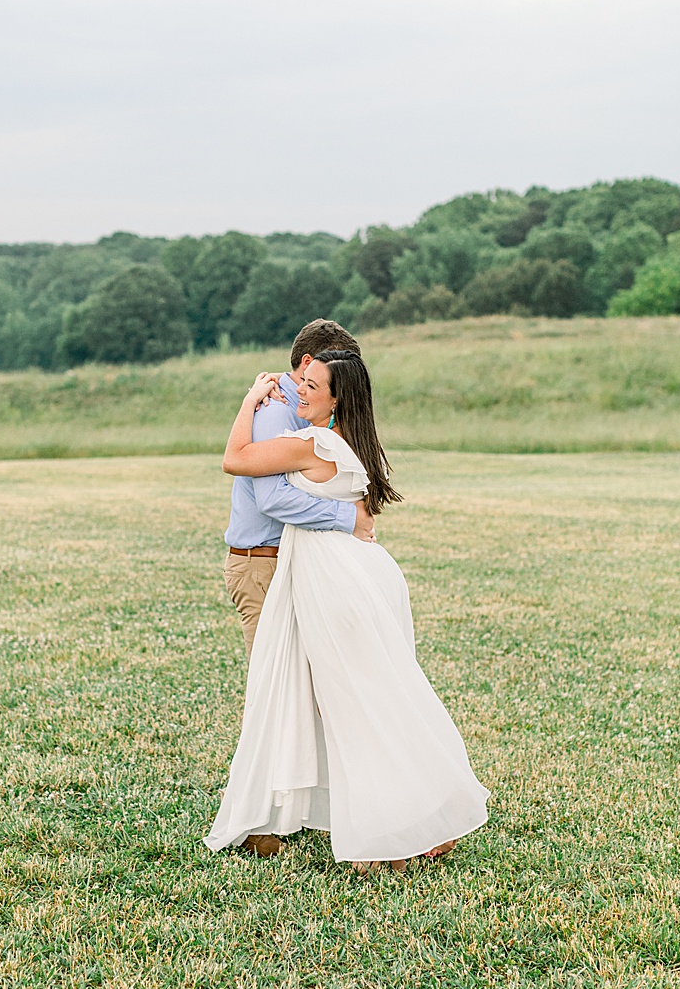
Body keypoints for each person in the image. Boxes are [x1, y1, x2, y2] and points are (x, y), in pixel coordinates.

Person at [204, 349, 489, 873]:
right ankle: (408, 818)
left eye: (311, 384)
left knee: (349, 706)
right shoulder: (347, 445)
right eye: (300, 381)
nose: (298, 391)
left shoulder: (310, 441)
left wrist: (248, 400)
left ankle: (386, 834)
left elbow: (236, 459)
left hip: (333, 586)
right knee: (375, 699)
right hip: (357, 576)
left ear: (337, 398)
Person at [221, 320, 376, 667]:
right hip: (264, 563)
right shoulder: (276, 412)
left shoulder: (316, 417)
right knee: (275, 685)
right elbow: (272, 497)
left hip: (296, 561)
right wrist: (349, 518)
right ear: (309, 363)